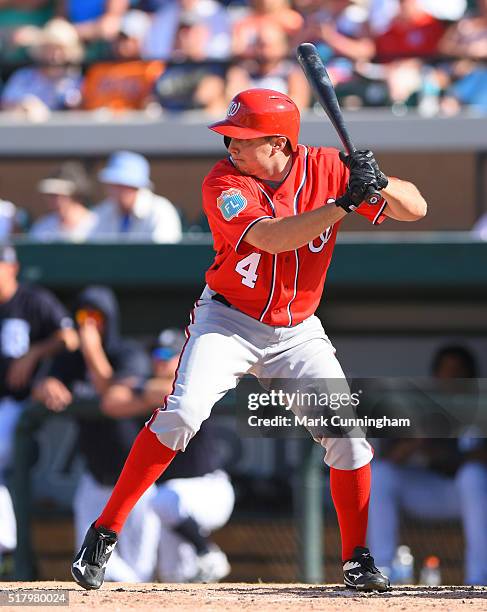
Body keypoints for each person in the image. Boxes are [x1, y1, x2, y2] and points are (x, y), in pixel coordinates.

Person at [71, 88, 427, 592]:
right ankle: (105, 531)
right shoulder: (224, 180)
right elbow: (273, 237)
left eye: (243, 139)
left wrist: (380, 183)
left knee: (348, 439)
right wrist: (344, 203)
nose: (231, 147)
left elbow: (417, 210)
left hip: (298, 329)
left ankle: (358, 558)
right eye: (230, 137)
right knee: (182, 413)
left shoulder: (328, 167)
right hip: (230, 320)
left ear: (279, 144)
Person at [32, 286, 159, 583]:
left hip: (134, 484)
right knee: (88, 566)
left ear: (109, 318)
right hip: (94, 480)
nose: (89, 324)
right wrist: (46, 385)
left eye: (96, 316)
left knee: (142, 571)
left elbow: (111, 394)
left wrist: (91, 349)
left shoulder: (128, 352)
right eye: (82, 316)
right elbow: (41, 384)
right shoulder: (71, 359)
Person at [102, 328, 235, 582]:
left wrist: (140, 388)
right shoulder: (148, 387)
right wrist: (145, 393)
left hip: (208, 489)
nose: (161, 360)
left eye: (169, 355)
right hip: (175, 501)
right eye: (157, 354)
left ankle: (208, 551)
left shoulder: (196, 385)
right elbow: (111, 401)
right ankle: (203, 564)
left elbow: (168, 392)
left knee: (161, 500)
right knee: (177, 575)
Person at [367, 345, 487, 585]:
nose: (451, 379)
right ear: (435, 376)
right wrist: (418, 439)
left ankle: (480, 577)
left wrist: (448, 455)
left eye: (459, 373)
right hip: (430, 491)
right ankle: (382, 569)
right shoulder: (420, 405)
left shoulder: (480, 405)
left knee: (472, 476)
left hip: (473, 495)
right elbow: (389, 458)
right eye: (446, 372)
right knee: (380, 475)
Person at [0, 244, 77, 570]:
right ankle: (6, 549)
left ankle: (7, 552)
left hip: (20, 402)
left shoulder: (32, 300)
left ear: (11, 267)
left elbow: (69, 338)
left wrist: (33, 355)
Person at [88, 151, 182, 243]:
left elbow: (163, 255)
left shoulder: (161, 211)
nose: (112, 190)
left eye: (120, 185)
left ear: (136, 187)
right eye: (112, 184)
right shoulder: (104, 211)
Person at [1, 18, 83, 118]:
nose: (55, 56)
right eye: (50, 49)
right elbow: (4, 105)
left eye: (60, 49)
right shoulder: (23, 77)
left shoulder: (77, 82)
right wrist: (22, 106)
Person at [29, 162, 96, 242]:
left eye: (60, 194)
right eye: (50, 195)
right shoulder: (43, 226)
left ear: (75, 194)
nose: (53, 200)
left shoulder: (97, 223)